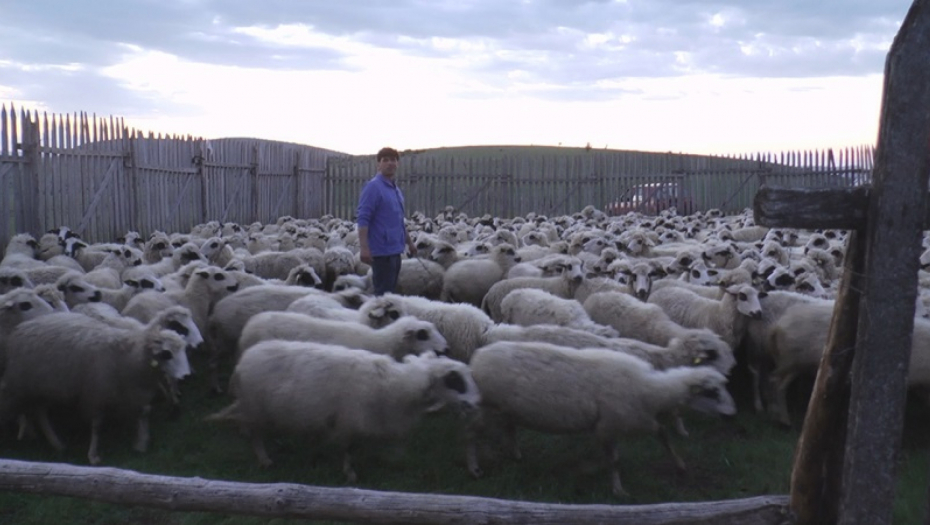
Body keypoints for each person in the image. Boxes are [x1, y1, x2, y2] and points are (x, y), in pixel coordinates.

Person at [356, 147, 417, 296]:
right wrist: (364, 248)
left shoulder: (395, 189)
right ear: (378, 164)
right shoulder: (373, 187)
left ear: (398, 164)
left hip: (396, 250)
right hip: (382, 252)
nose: (390, 163)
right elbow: (363, 218)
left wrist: (409, 243)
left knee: (390, 294)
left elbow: (398, 220)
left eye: (393, 160)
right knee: (383, 296)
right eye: (385, 160)